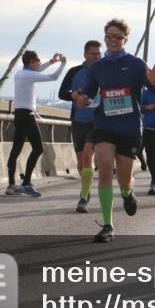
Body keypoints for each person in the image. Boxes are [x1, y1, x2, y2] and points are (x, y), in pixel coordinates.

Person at [75, 18, 155, 243]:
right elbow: (90, 90)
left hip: (129, 128)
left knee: (124, 179)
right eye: (109, 36)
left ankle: (127, 193)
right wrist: (84, 98)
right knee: (104, 170)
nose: (112, 40)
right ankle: (108, 225)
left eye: (117, 37)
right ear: (105, 38)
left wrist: (154, 83)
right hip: (104, 125)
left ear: (125, 40)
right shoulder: (98, 66)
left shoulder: (136, 64)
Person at [6, 50, 66, 196]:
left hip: (19, 115)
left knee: (16, 150)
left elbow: (37, 71)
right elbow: (53, 76)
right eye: (38, 60)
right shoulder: (28, 75)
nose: (40, 63)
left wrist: (52, 62)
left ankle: (11, 185)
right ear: (32, 62)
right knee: (38, 148)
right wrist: (63, 64)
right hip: (27, 116)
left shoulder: (21, 73)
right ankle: (26, 183)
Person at [58, 40, 102, 212]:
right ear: (85, 54)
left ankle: (84, 197)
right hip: (78, 120)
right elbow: (62, 93)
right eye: (93, 53)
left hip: (97, 121)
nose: (97, 56)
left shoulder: (105, 72)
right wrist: (74, 95)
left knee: (87, 158)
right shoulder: (75, 71)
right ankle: (86, 188)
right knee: (81, 162)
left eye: (99, 54)